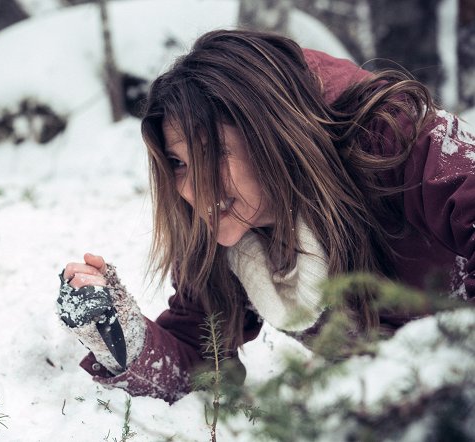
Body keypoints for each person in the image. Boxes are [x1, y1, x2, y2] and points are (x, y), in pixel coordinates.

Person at [56, 29, 475, 404]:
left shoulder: (396, 141)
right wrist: (120, 334)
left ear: (272, 137)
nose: (194, 188)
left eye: (213, 153)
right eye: (179, 163)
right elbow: (202, 358)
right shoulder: (222, 227)